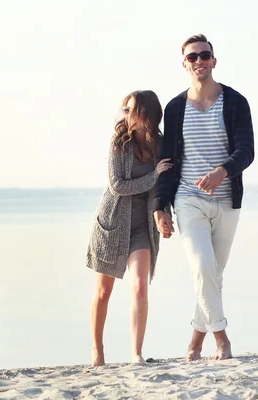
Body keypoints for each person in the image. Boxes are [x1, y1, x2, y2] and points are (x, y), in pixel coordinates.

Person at [153, 34, 255, 361]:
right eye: (192, 57)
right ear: (184, 64)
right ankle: (222, 340)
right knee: (202, 267)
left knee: (212, 274)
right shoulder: (175, 108)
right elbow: (168, 164)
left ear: (214, 60)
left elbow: (246, 150)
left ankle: (195, 343)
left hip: (226, 201)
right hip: (187, 199)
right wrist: (161, 206)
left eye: (204, 55)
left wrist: (221, 172)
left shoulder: (236, 102)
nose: (199, 61)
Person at [86, 90, 173, 366]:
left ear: (144, 114)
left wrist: (164, 215)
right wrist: (153, 175)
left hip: (142, 226)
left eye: (131, 108)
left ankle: (136, 352)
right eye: (124, 108)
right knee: (103, 291)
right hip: (112, 223)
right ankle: (97, 349)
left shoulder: (160, 146)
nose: (125, 113)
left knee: (139, 286)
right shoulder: (118, 143)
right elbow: (118, 186)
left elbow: (163, 187)